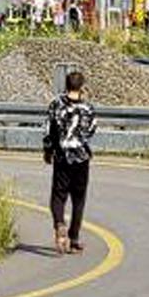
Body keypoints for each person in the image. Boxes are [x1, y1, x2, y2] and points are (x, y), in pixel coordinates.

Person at [45, 68, 96, 255]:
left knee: (58, 196)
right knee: (79, 199)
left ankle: (59, 224)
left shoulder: (56, 105)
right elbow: (91, 131)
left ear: (65, 85)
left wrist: (48, 150)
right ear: (82, 87)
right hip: (81, 158)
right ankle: (74, 238)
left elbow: (48, 130)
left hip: (62, 156)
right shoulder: (88, 108)